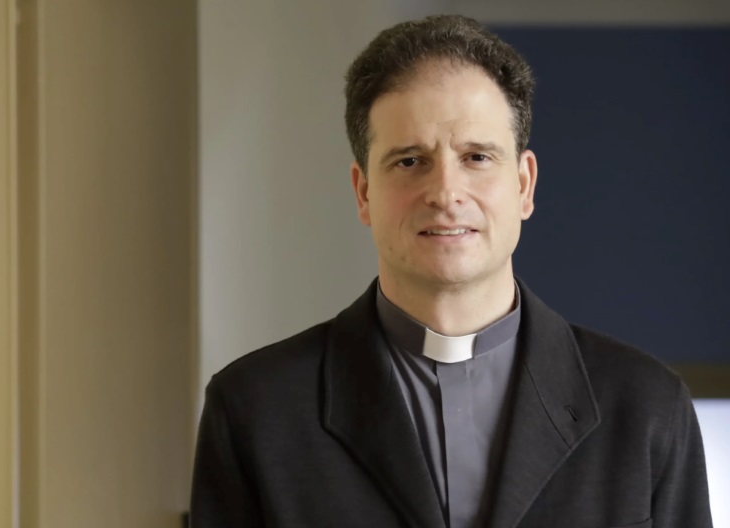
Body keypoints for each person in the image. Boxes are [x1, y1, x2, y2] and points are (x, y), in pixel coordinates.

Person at [190, 14, 712, 528]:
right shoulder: (254, 411)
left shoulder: (647, 406)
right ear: (363, 192)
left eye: (477, 157)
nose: (444, 193)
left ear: (524, 185)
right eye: (409, 161)